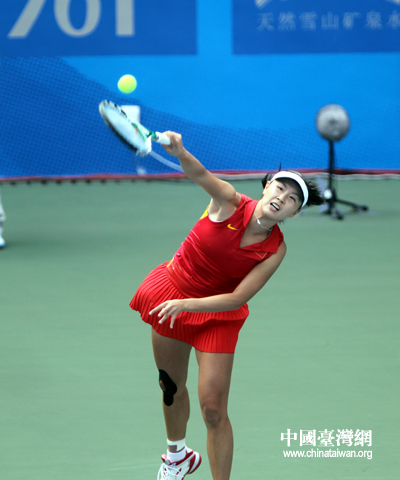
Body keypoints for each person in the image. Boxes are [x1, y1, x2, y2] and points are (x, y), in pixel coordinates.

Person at [130, 132, 324, 480]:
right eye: (280, 188)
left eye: (292, 199)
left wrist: (188, 305)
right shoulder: (229, 201)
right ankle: (177, 458)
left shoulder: (275, 250)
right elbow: (200, 174)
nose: (282, 198)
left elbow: (237, 298)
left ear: (294, 213)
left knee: (214, 410)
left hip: (215, 314)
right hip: (172, 292)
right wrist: (180, 152)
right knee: (170, 385)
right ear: (266, 187)